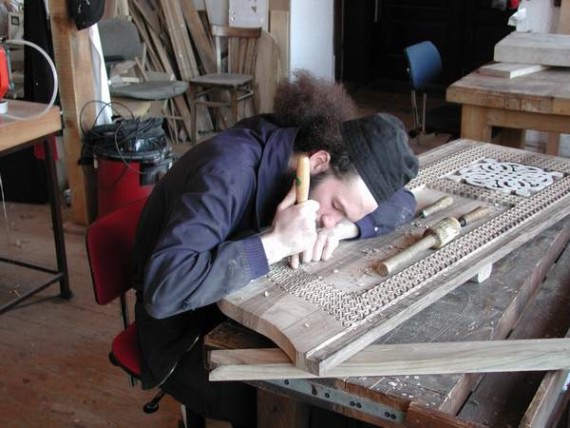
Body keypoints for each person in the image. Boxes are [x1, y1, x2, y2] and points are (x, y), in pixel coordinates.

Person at [132, 71, 419, 427]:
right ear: (318, 162)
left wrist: (343, 227)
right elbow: (165, 291)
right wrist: (274, 244)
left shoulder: (313, 153)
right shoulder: (228, 171)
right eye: (338, 207)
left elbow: (404, 203)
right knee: (324, 406)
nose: (327, 219)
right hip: (187, 335)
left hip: (238, 310)